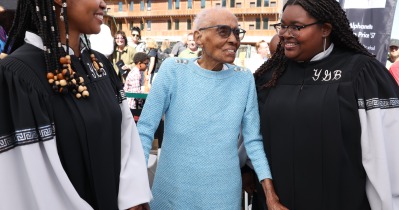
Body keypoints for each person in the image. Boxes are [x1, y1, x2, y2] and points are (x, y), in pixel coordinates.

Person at [252, 0, 399, 209]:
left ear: (325, 29)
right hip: (277, 200)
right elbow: (253, 137)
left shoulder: (360, 72)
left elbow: (391, 153)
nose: (286, 34)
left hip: (340, 198)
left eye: (296, 27)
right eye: (283, 26)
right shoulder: (272, 74)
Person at [0, 0, 151, 209]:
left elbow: (126, 135)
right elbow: (31, 179)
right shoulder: (17, 75)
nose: (103, 4)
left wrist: (132, 196)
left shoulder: (99, 64)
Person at [137, 7, 286, 210]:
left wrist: (271, 196)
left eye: (237, 32)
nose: (234, 39)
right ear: (199, 37)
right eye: (224, 31)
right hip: (171, 195)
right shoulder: (173, 70)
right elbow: (144, 131)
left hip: (223, 199)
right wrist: (136, 191)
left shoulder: (244, 79)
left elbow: (253, 141)